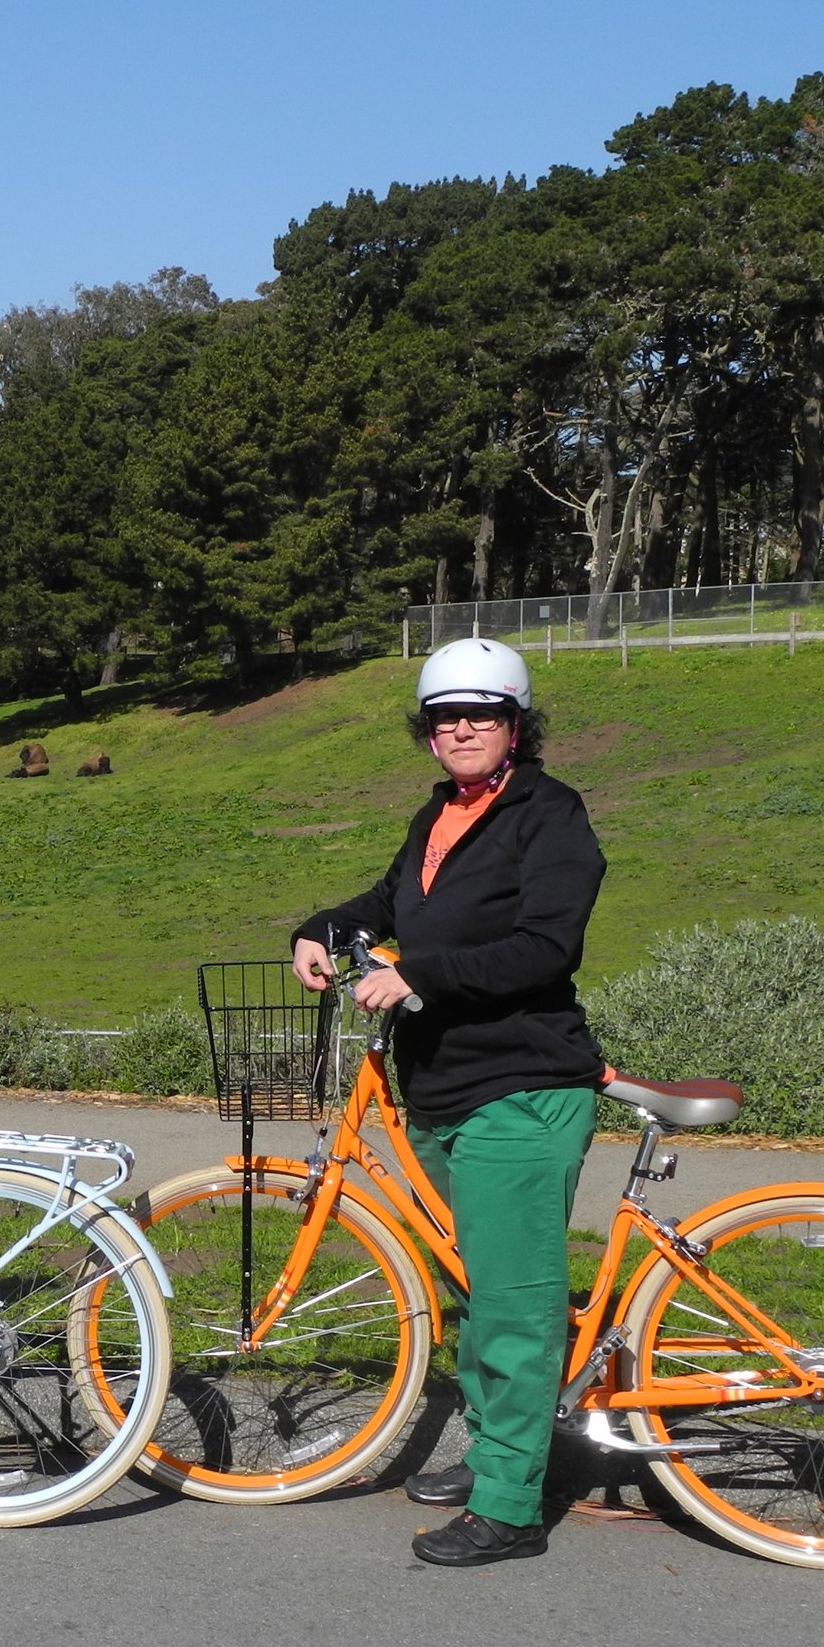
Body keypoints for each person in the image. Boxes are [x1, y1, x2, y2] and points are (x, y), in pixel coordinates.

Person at [290, 637, 607, 1568]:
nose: (461, 728)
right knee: (474, 1289)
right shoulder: (438, 817)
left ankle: (511, 1504)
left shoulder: (549, 816)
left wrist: (416, 972)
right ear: (427, 735)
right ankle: (495, 1452)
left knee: (513, 1304)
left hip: (520, 1087)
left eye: (483, 714)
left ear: (516, 726)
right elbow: (388, 902)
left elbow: (547, 948)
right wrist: (321, 930)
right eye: (443, 717)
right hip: (437, 1091)